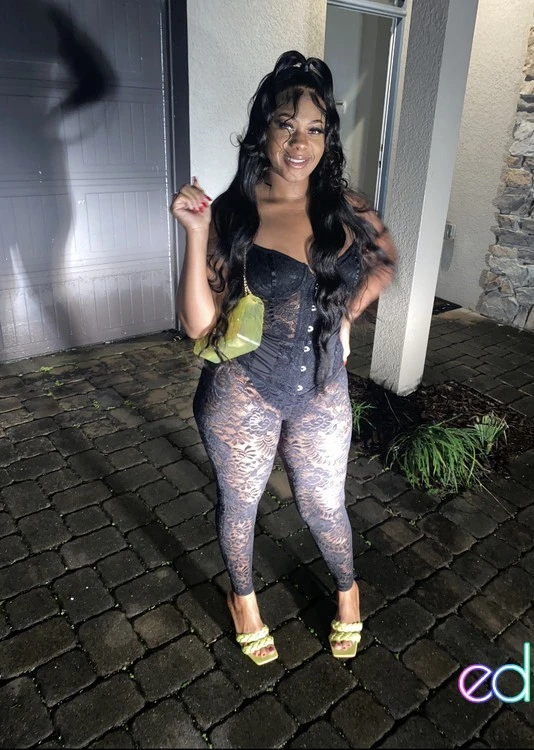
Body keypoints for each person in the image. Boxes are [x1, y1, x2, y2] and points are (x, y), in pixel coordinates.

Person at [171, 50, 396, 666]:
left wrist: (346, 319)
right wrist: (196, 235)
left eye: (315, 129)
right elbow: (198, 324)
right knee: (241, 506)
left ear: (328, 137)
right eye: (286, 125)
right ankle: (243, 601)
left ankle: (348, 591)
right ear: (262, 130)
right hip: (242, 389)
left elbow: (384, 260)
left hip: (323, 386)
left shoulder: (345, 208)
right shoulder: (233, 212)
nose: (300, 144)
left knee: (324, 504)